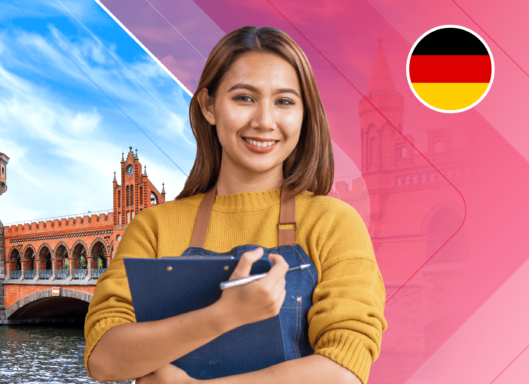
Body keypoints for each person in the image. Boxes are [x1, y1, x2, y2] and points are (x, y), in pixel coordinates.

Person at [84, 26, 387, 384]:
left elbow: (344, 370)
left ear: (305, 115)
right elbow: (104, 358)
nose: (264, 121)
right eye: (244, 98)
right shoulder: (153, 226)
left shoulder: (334, 223)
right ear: (209, 106)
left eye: (285, 101)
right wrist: (223, 316)